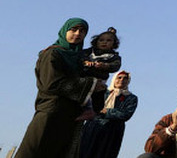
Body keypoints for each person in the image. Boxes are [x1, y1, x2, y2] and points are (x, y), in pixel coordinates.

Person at [14, 17, 98, 158]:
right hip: (50, 113)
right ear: (64, 31)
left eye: (82, 31)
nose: (78, 34)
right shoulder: (52, 54)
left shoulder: (80, 60)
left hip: (70, 118)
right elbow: (52, 83)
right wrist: (90, 84)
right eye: (73, 29)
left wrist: (97, 86)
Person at [80, 70, 139, 158]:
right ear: (114, 79)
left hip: (113, 132)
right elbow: (93, 108)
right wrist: (111, 112)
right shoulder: (102, 92)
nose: (122, 80)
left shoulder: (131, 98)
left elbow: (125, 114)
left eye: (125, 78)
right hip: (93, 127)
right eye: (119, 77)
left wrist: (107, 111)